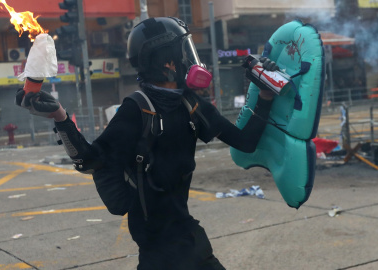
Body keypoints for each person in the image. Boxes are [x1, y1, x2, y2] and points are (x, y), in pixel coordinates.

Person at [16, 17, 277, 269]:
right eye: (183, 51)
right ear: (168, 62)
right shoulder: (137, 110)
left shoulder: (191, 104)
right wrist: (60, 117)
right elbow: (89, 161)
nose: (190, 60)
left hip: (186, 236)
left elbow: (245, 142)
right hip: (156, 247)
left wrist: (265, 94)